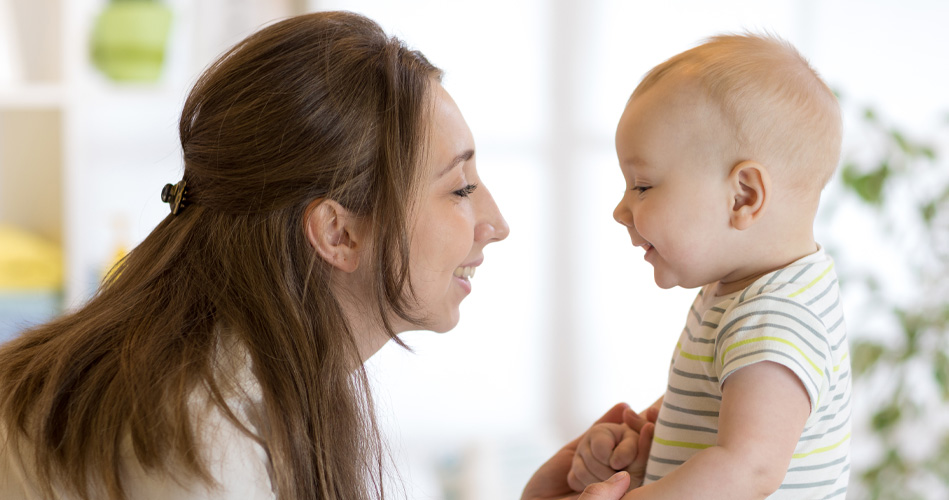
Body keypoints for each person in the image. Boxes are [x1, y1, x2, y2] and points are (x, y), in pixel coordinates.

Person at [0, 10, 640, 500]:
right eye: (460, 188)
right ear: (338, 234)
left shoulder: (245, 386)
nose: (495, 224)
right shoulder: (203, 438)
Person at [568, 33, 851, 498]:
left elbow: (749, 468)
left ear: (743, 196)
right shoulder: (745, 294)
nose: (621, 210)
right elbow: (711, 423)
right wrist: (649, 453)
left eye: (641, 186)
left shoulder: (776, 317)